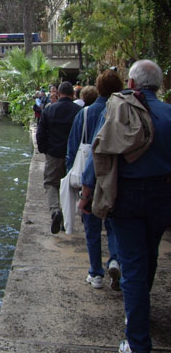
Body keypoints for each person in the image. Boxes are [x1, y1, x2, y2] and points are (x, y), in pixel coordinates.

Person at [80, 60, 171, 353]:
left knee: (132, 263)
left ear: (131, 84)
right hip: (162, 195)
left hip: (126, 195)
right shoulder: (169, 114)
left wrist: (86, 192)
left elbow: (100, 151)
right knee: (150, 254)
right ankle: (139, 310)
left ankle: (137, 340)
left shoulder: (117, 110)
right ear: (159, 85)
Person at [66, 70, 123, 290]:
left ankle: (95, 273)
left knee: (92, 228)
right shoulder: (123, 111)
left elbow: (73, 148)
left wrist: (72, 175)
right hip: (114, 177)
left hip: (90, 177)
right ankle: (115, 260)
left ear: (98, 88)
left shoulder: (86, 113)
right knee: (114, 225)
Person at [36, 81, 81, 234]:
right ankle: (67, 220)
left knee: (50, 183)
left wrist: (44, 149)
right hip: (73, 155)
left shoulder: (49, 110)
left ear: (58, 93)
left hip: (54, 153)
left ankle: (55, 210)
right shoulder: (78, 111)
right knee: (71, 187)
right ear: (72, 94)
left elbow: (40, 133)